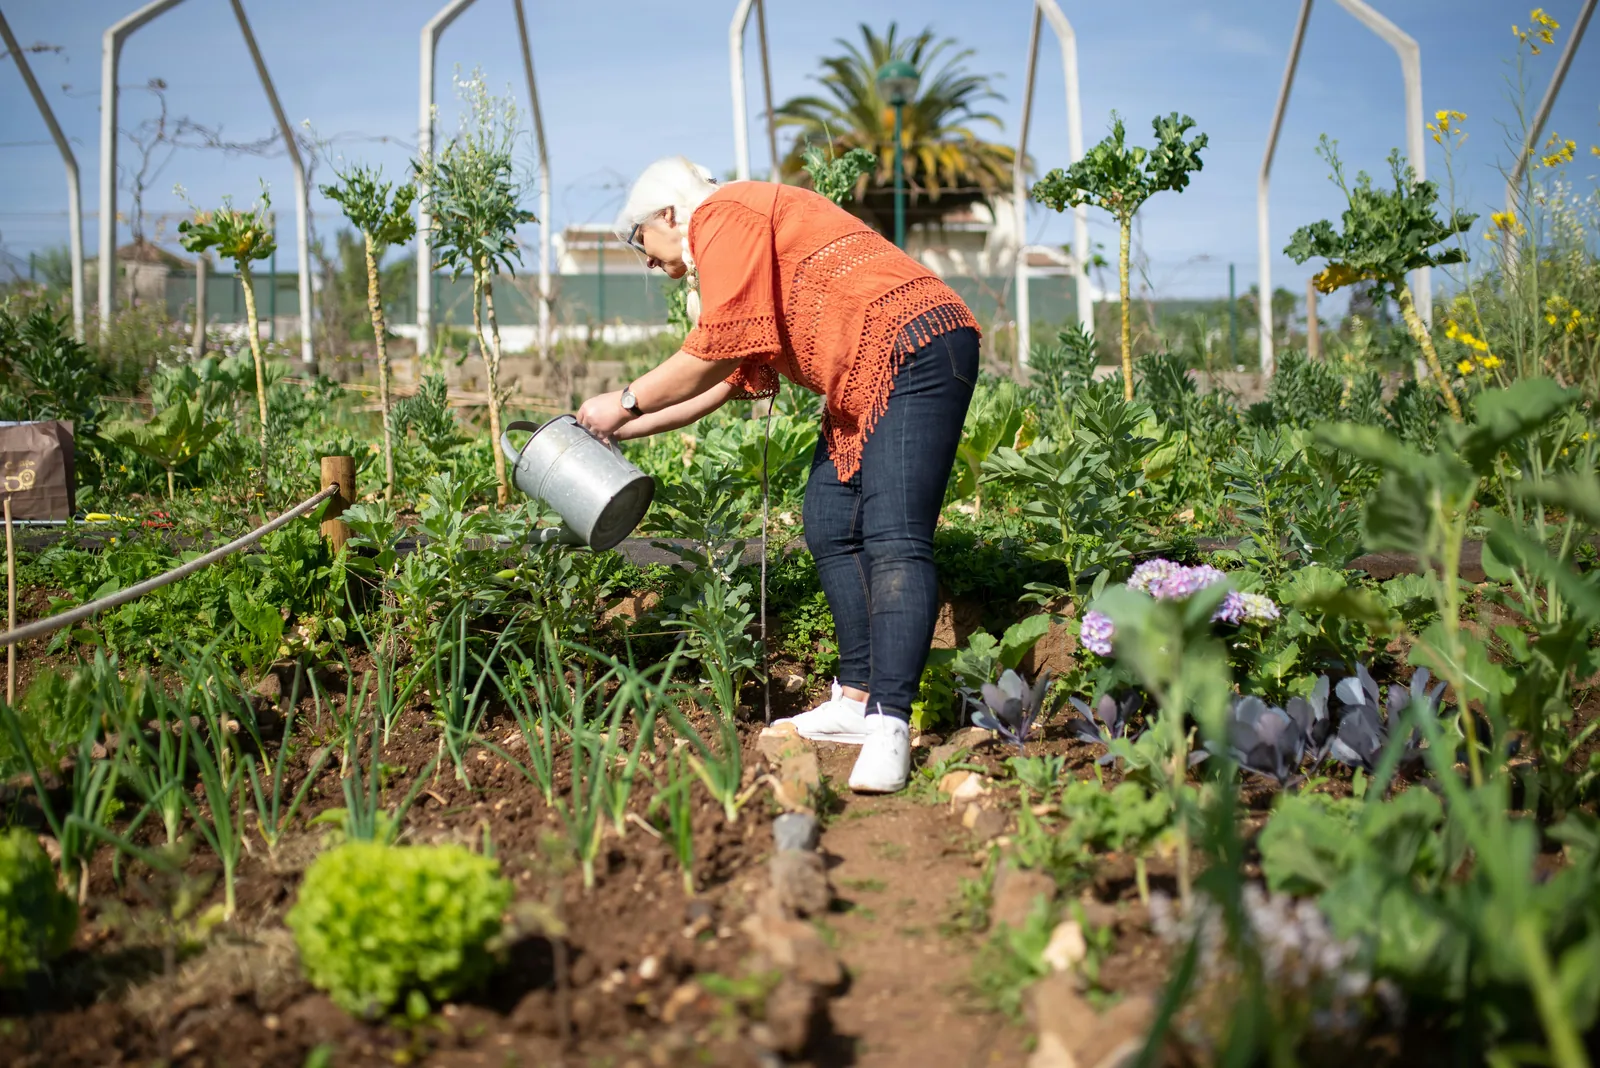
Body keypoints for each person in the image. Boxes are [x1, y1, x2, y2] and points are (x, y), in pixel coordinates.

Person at [576, 156, 980, 794]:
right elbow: (723, 378)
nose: (648, 262)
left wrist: (624, 398)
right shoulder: (735, 245)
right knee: (829, 518)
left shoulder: (722, 213)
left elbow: (714, 350)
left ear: (668, 214)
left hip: (916, 345)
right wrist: (623, 427)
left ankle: (890, 722)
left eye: (640, 242)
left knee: (895, 534)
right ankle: (854, 698)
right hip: (866, 371)